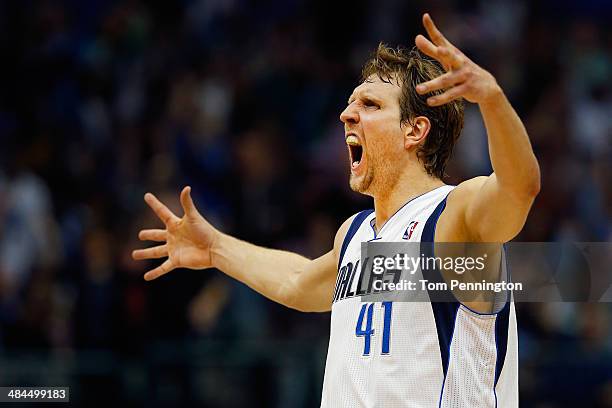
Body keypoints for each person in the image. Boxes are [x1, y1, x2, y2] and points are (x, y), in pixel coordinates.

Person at [132, 13, 539, 407]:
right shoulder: (355, 233)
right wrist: (216, 249)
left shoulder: (454, 216)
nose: (347, 114)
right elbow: (297, 281)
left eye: (370, 104)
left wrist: (492, 98)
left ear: (414, 131)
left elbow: (520, 187)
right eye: (350, 103)